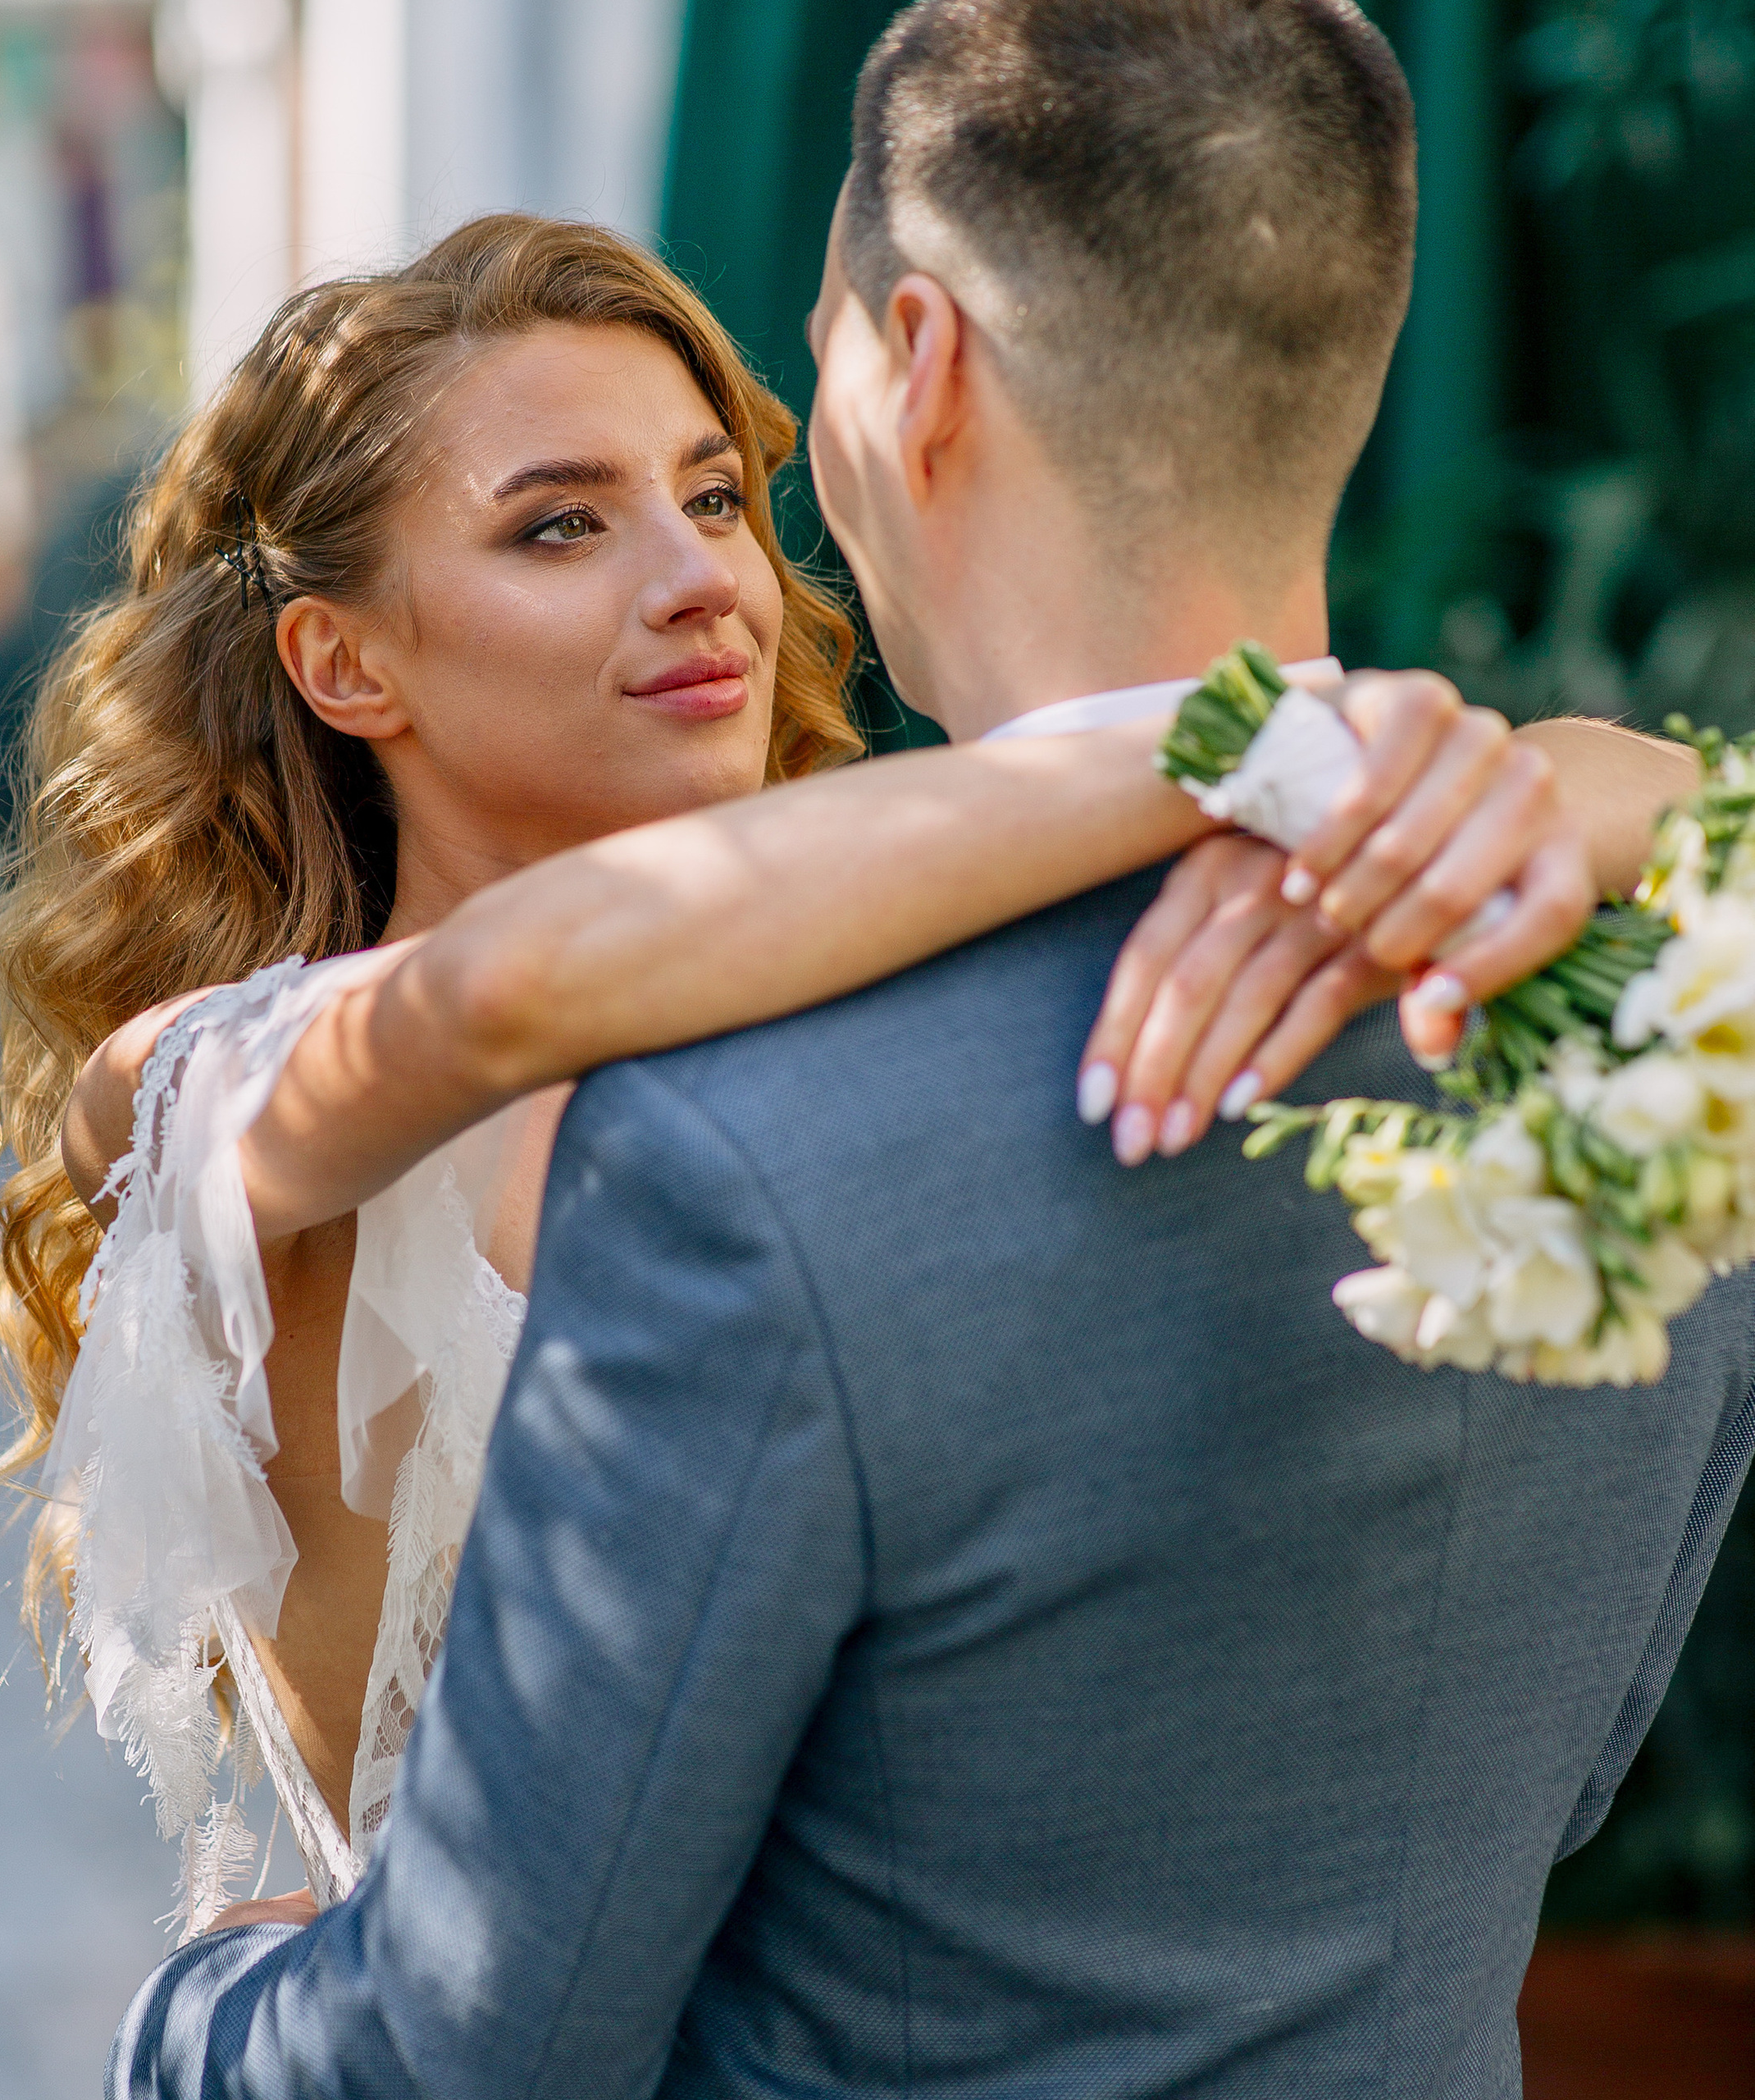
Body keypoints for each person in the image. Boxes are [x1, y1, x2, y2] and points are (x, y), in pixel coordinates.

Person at [99, 2, 1755, 2094]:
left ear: (920, 361)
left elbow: (458, 2043)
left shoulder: (740, 1151)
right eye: (559, 520)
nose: (709, 564)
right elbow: (1567, 1762)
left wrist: (185, 2011)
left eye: (731, 466)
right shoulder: (1667, 1013)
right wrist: (1512, 770)